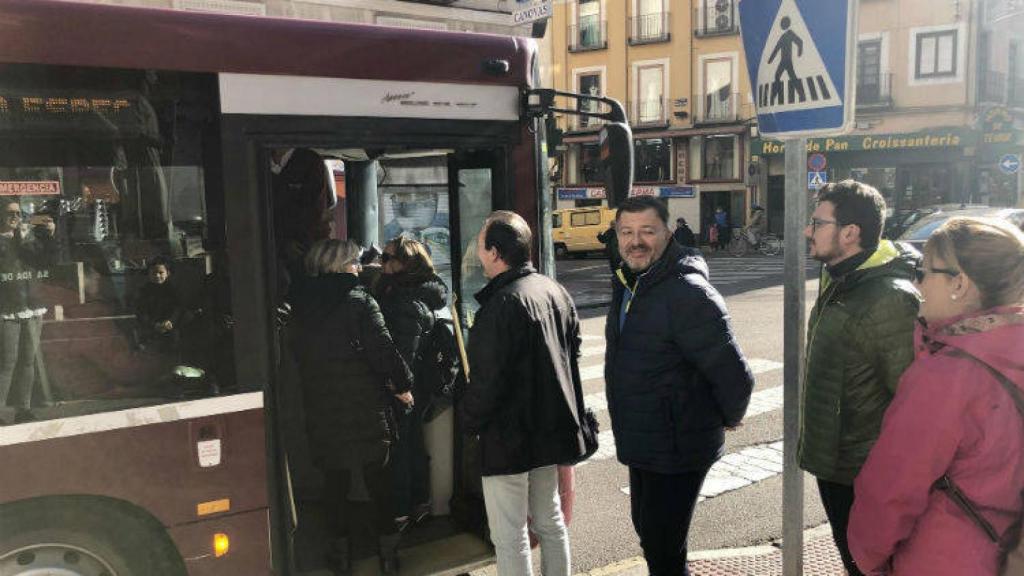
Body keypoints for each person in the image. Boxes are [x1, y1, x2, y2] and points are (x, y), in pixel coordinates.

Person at [848, 217, 1024, 576]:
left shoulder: (946, 376)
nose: (918, 282)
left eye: (924, 270)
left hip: (944, 556)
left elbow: (891, 489)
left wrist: (867, 557)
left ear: (959, 283)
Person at [606, 196, 754, 576]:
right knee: (652, 535)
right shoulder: (630, 282)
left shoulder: (687, 293)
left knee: (662, 544)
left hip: (677, 444)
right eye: (627, 232)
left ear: (668, 234)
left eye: (647, 231)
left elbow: (734, 374)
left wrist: (729, 416)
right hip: (643, 437)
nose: (635, 241)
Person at [799, 180, 921, 576]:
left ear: (850, 233)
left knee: (870, 567)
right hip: (835, 462)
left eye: (817, 223)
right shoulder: (842, 276)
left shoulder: (888, 296)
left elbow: (913, 400)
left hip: (863, 472)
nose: (807, 230)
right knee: (854, 560)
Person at [460, 210, 587, 576]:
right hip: (549, 430)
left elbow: (486, 382)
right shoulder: (553, 290)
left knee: (509, 532)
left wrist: (469, 422)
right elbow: (571, 355)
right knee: (549, 519)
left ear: (496, 253)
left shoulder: (499, 307)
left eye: (482, 247)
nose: (478, 254)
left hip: (508, 438)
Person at [289, 239, 413, 576]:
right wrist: (403, 387)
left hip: (322, 407)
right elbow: (384, 351)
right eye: (355, 262)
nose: (359, 267)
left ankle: (340, 557)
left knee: (335, 485)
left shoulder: (300, 305)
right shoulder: (360, 301)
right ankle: (388, 555)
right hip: (366, 407)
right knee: (380, 482)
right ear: (342, 265)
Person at [375, 236, 449, 531]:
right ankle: (419, 503)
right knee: (412, 443)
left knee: (400, 448)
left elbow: (402, 354)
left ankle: (401, 511)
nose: (382, 263)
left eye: (387, 258)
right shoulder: (413, 293)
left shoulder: (405, 302)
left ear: (406, 264)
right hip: (416, 384)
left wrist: (398, 389)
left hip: (405, 387)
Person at [0, 199, 56, 422]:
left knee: (27, 360)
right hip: (6, 308)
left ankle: (23, 409)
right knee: (7, 361)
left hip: (32, 306)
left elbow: (47, 262)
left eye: (19, 213)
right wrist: (17, 238)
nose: (15, 217)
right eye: (9, 213)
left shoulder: (28, 237)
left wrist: (50, 235)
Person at [134, 257, 185, 354]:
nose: (157, 276)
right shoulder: (144, 291)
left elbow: (178, 308)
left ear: (168, 273)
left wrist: (170, 321)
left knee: (173, 347)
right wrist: (154, 325)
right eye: (153, 273)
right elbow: (141, 311)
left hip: (170, 327)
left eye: (161, 273)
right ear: (149, 275)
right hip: (150, 328)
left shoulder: (173, 290)